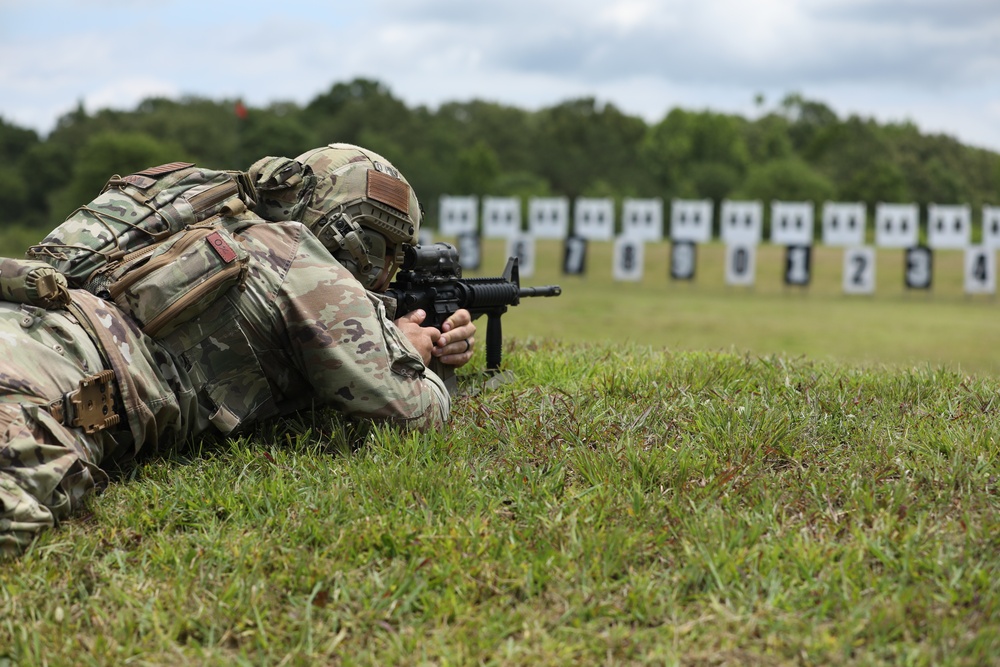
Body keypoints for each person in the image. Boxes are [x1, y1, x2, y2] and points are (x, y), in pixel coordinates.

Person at [0, 143, 476, 557]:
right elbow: (412, 411)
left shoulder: (214, 216)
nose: (387, 273)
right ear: (357, 239)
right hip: (57, 378)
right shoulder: (297, 256)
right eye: (388, 252)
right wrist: (411, 351)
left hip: (27, 317)